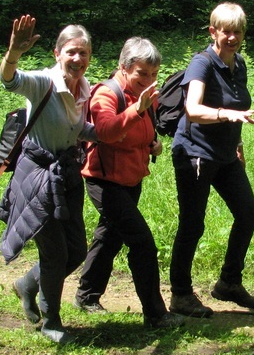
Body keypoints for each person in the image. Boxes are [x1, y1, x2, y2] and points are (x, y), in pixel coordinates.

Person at [0, 14, 98, 344]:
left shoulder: (83, 89)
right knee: (54, 253)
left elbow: (76, 128)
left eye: (83, 53)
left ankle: (27, 284)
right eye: (71, 52)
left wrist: (119, 131)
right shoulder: (43, 82)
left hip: (65, 175)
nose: (77, 59)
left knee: (77, 252)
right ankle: (51, 321)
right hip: (36, 175)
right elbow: (9, 80)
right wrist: (13, 52)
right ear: (57, 54)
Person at [74, 37, 184, 329]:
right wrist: (136, 110)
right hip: (104, 180)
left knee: (110, 236)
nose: (149, 79)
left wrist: (153, 143)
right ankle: (156, 314)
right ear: (124, 67)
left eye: (153, 74)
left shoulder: (144, 95)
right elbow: (106, 131)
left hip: (131, 178)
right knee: (142, 243)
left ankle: (86, 295)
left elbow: (144, 129)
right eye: (142, 73)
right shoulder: (106, 95)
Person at [168, 2, 254, 318]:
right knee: (193, 224)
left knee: (248, 213)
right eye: (227, 32)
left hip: (225, 155)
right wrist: (227, 115)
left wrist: (238, 141)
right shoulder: (202, 64)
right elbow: (192, 110)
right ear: (213, 32)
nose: (233, 38)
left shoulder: (240, 65)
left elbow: (238, 105)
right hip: (194, 154)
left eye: (238, 32)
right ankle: (180, 295)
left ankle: (229, 283)